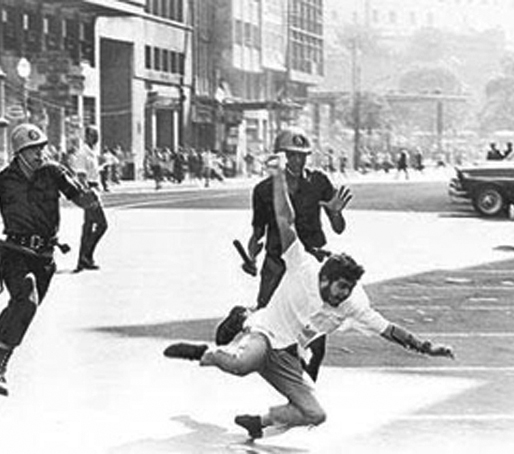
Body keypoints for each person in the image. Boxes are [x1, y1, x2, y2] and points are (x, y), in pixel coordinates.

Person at [163, 152, 455, 439]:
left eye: (349, 289)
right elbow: (284, 220)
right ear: (324, 278)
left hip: (290, 352)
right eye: (341, 287)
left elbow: (389, 330)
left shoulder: (352, 303)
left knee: (315, 414)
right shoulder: (303, 266)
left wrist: (425, 347)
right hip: (266, 334)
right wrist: (277, 176)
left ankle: (260, 423)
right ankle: (206, 351)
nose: (344, 295)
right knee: (242, 365)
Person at [0, 123, 100, 396]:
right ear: (19, 153)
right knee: (26, 300)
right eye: (33, 150)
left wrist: (90, 200)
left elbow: (78, 197)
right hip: (13, 251)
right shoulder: (3, 177)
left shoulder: (53, 172)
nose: (40, 154)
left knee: (22, 309)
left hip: (44, 257)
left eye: (41, 148)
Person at [216, 127, 352, 382]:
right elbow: (257, 232)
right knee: (267, 325)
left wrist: (335, 212)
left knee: (317, 339)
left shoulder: (319, 182)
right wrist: (251, 257)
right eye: (291, 155)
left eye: (302, 156)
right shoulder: (264, 190)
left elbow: (339, 228)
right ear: (279, 157)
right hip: (278, 263)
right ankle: (242, 316)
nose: (297, 161)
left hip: (312, 265)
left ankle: (305, 391)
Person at [70, 125, 108, 272]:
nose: (96, 138)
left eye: (97, 135)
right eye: (93, 135)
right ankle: (86, 256)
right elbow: (81, 176)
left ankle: (83, 260)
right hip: (89, 192)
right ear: (86, 137)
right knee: (102, 225)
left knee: (88, 227)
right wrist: (88, 194)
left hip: (94, 189)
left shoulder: (92, 153)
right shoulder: (82, 153)